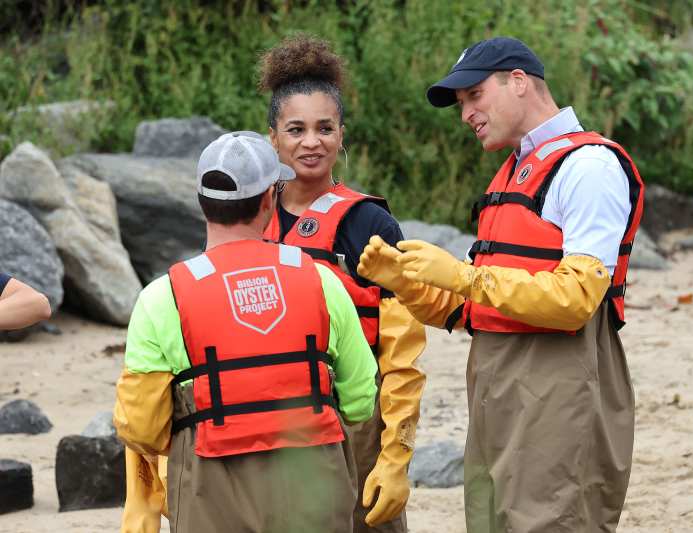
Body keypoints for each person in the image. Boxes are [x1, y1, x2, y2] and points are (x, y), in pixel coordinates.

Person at [358, 37, 645, 532]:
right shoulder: (514, 172)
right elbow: (463, 307)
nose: (465, 113)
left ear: (517, 82)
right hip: (497, 386)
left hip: (560, 386)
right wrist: (405, 283)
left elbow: (577, 299)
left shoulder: (588, 168)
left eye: (473, 96)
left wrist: (465, 276)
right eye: (461, 103)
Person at [113, 131, 378, 533]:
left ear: (202, 203)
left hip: (211, 489)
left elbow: (141, 428)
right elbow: (360, 401)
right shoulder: (321, 280)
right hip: (314, 482)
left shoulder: (162, 297)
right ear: (270, 199)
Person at [258, 35, 427, 533]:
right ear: (273, 137)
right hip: (268, 411)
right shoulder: (249, 213)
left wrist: (395, 454)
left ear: (341, 133)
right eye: (296, 129)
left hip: (354, 417)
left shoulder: (369, 223)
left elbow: (402, 352)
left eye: (324, 128)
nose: (312, 142)